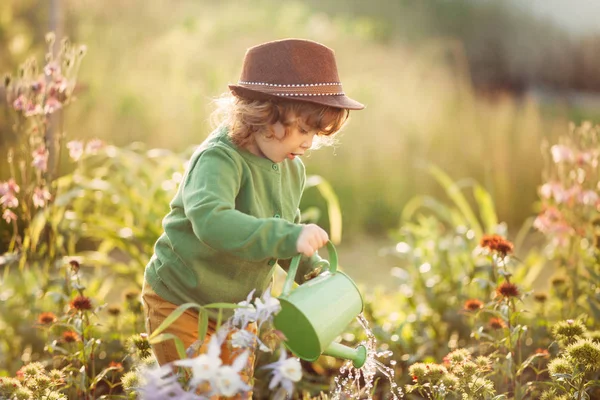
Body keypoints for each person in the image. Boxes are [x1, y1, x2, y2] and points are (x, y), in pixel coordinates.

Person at [141, 38, 364, 397]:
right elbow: (212, 222)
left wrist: (312, 270)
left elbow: (285, 231)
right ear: (263, 114)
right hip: (180, 298)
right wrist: (288, 236)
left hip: (239, 311)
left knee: (234, 392)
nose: (308, 144)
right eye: (304, 129)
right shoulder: (220, 159)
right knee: (198, 391)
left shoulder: (291, 169)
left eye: (316, 134)